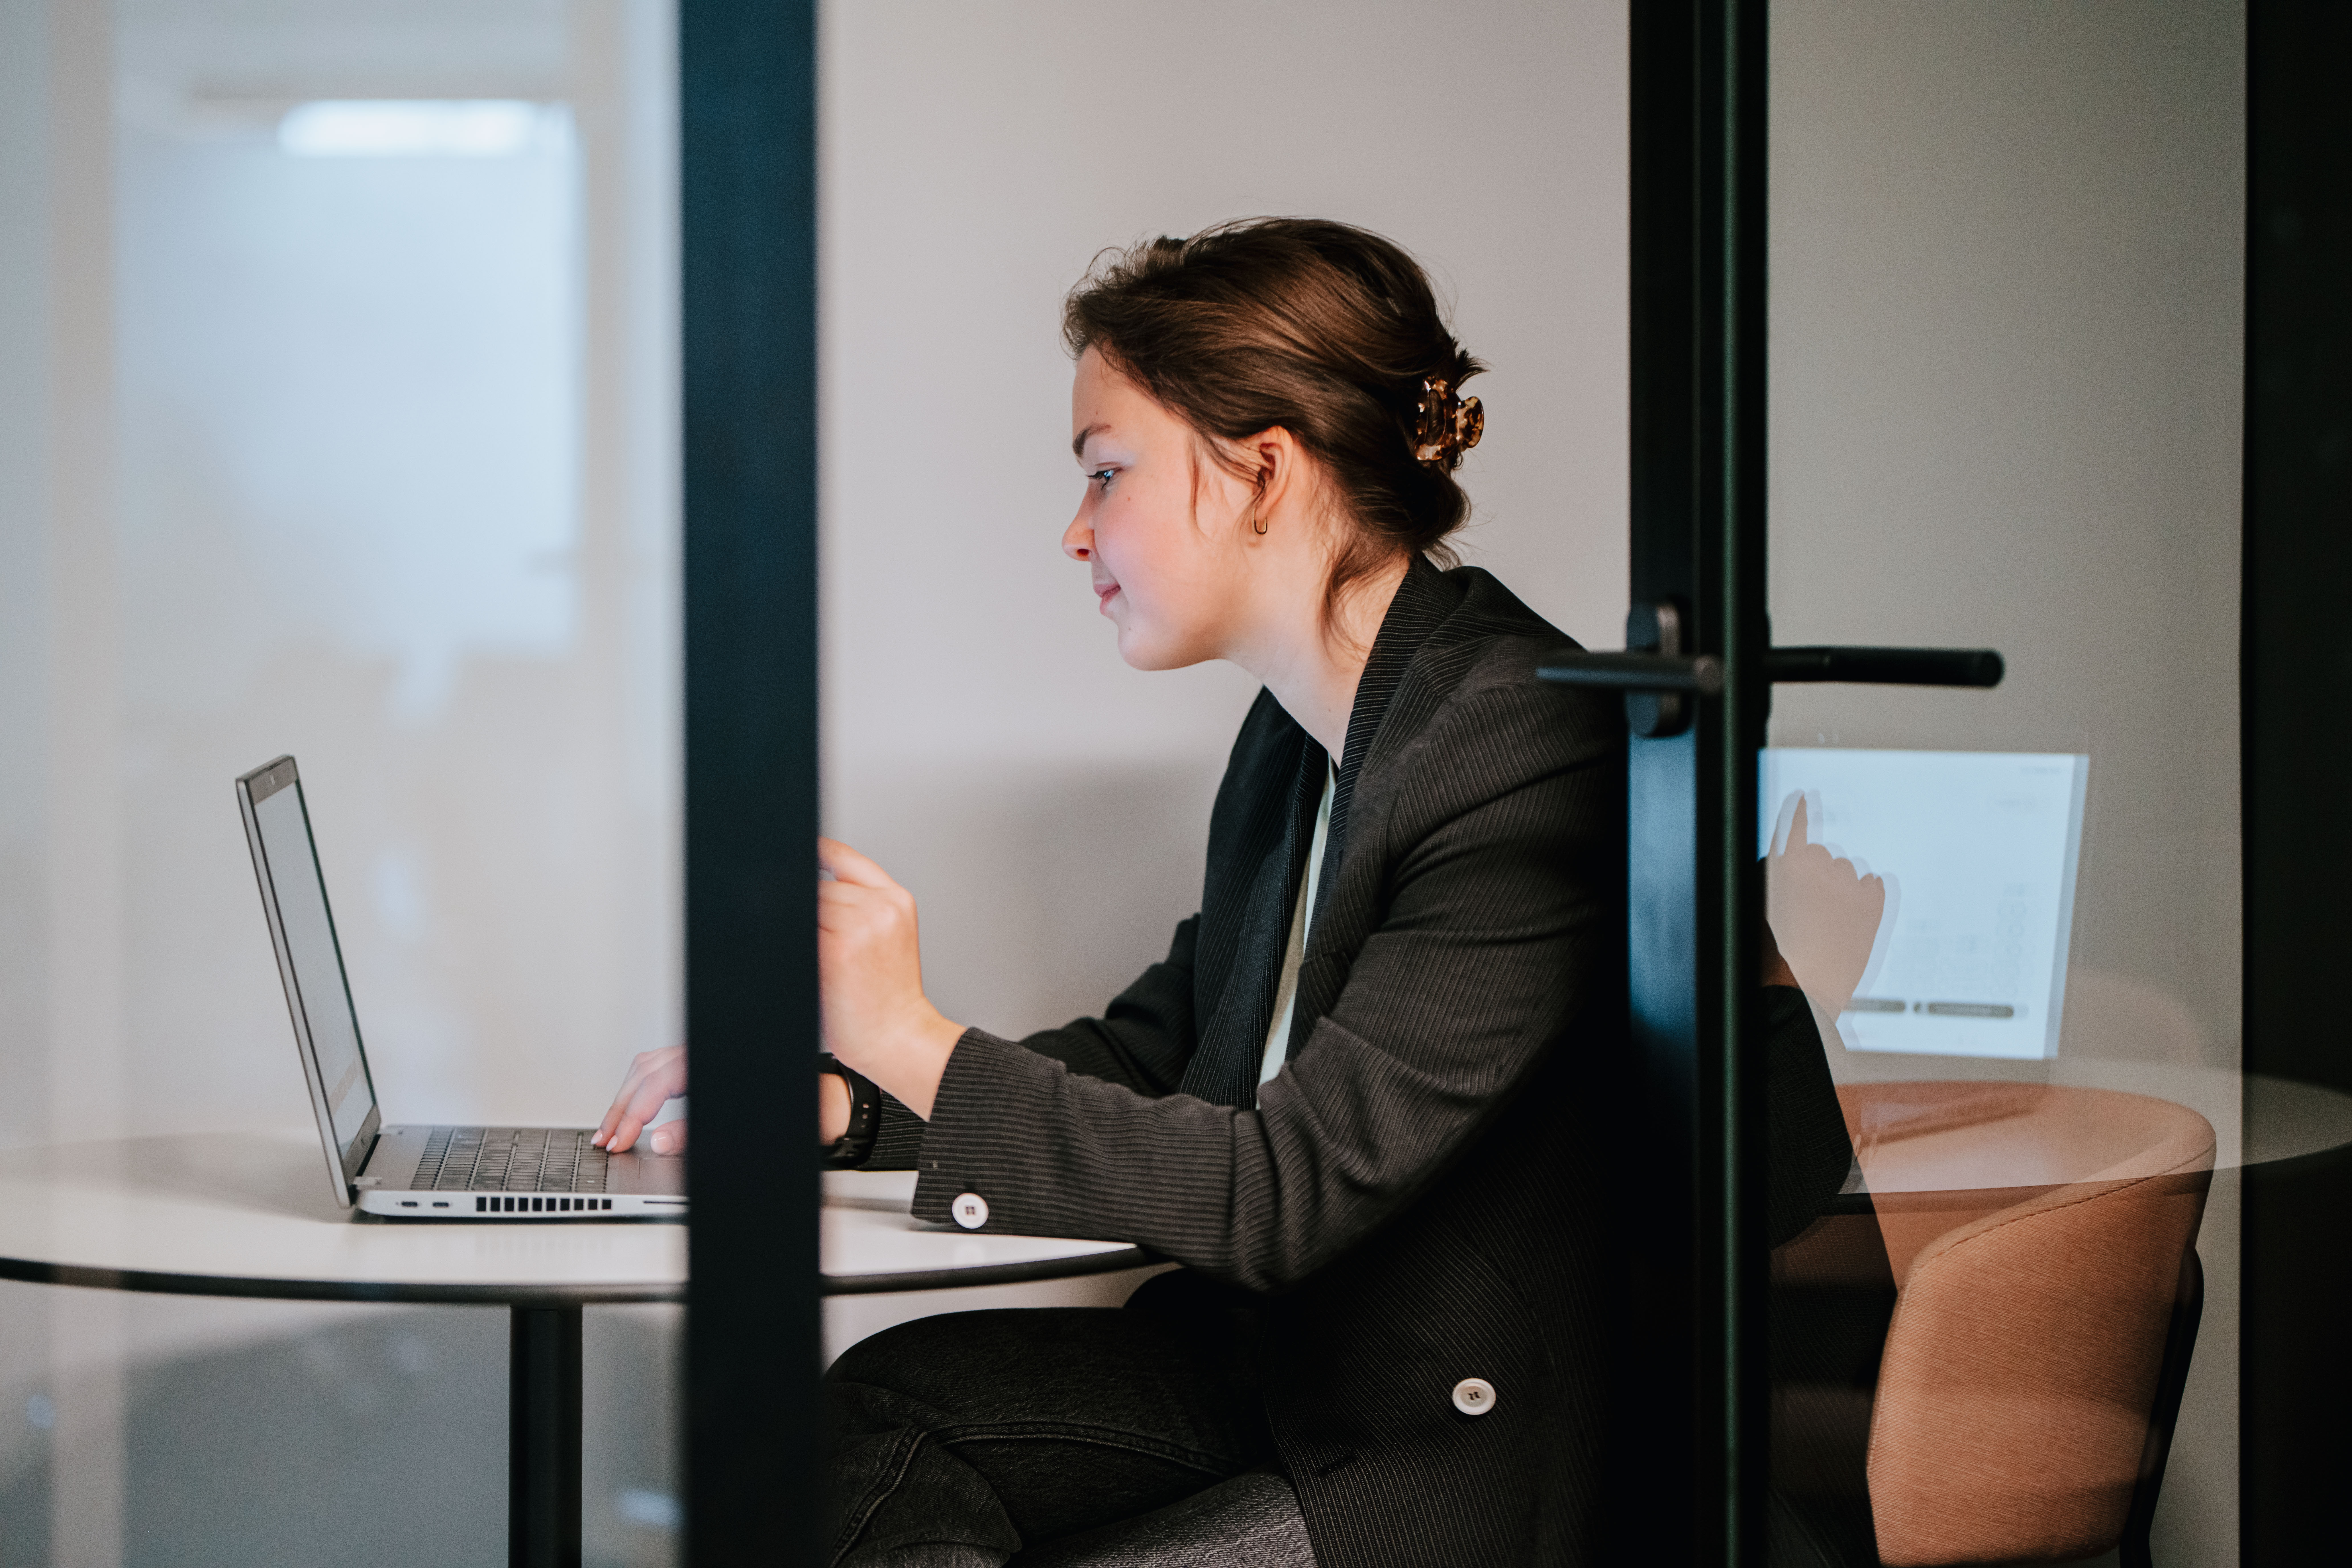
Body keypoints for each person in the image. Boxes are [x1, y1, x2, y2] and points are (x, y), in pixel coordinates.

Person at [596, 219, 1855, 1567]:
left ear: (1261, 471)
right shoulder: (1302, 734)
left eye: (1106, 471)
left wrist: (909, 1027)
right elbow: (1165, 1055)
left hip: (1448, 1452)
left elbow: (1282, 1189)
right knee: (855, 1420)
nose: (1075, 532)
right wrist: (846, 1098)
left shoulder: (1521, 747)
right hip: (1282, 1369)